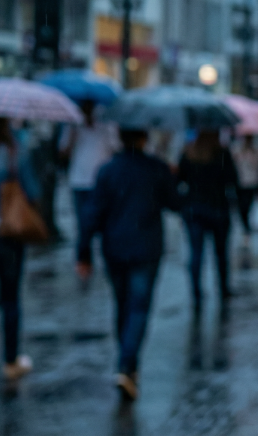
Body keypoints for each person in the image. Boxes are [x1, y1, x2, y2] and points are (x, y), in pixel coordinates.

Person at [77, 129, 181, 401]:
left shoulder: (108, 170)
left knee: (123, 305)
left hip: (115, 248)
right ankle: (127, 364)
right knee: (138, 307)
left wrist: (83, 250)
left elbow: (93, 212)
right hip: (145, 249)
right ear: (143, 138)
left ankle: (127, 360)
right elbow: (175, 203)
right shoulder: (155, 169)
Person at [0, 117, 39, 381]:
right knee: (10, 298)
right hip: (7, 234)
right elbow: (32, 192)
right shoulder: (14, 154)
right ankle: (10, 361)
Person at [178, 130, 240, 308]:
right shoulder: (221, 153)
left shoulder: (188, 153)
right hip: (218, 208)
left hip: (194, 209)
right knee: (220, 252)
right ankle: (223, 288)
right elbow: (232, 179)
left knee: (196, 252)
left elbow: (179, 180)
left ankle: (196, 292)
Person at [59, 101, 119, 247]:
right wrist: (73, 135)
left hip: (101, 181)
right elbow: (63, 152)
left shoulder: (106, 122)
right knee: (82, 224)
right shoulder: (72, 124)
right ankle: (84, 257)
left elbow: (115, 148)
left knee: (104, 222)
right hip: (79, 180)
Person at [230, 134, 258, 260]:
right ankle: (246, 229)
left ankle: (247, 230)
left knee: (248, 207)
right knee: (242, 208)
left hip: (252, 183)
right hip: (240, 184)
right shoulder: (236, 148)